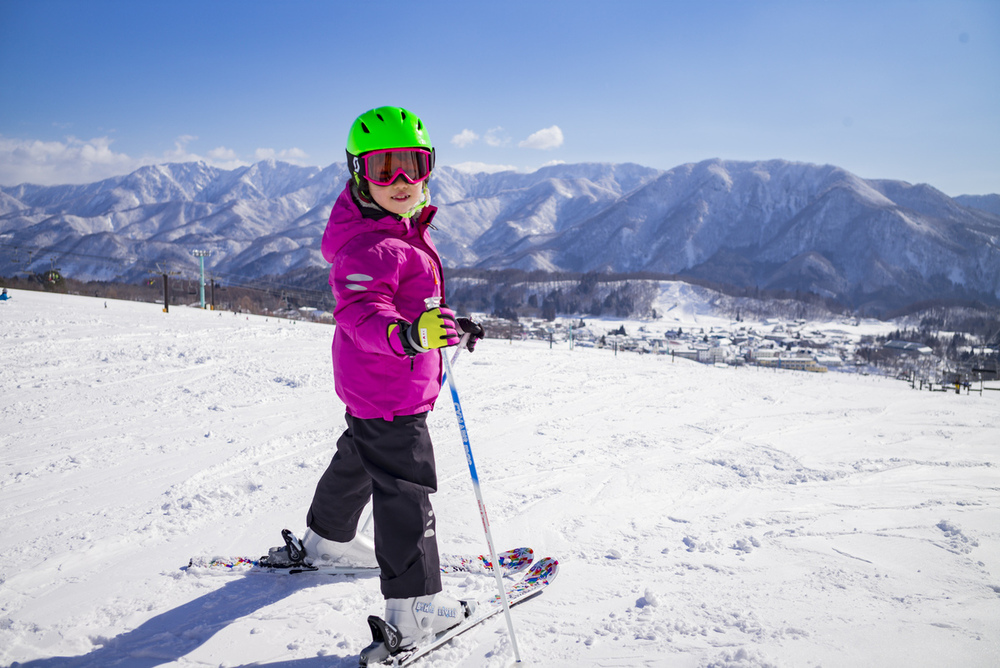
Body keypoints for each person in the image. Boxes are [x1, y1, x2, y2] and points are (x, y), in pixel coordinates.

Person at [300, 106, 484, 649]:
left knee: (361, 453)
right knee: (405, 488)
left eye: (413, 164)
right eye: (385, 169)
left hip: (376, 389)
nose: (402, 181)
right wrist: (407, 337)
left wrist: (445, 323)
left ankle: (327, 539)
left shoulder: (394, 229)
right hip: (391, 385)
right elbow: (361, 311)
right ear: (359, 174)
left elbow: (414, 303)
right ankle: (414, 607)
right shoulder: (370, 244)